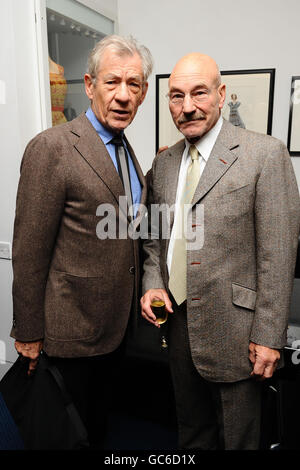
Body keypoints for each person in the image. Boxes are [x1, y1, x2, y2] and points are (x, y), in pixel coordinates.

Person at [141, 52, 300, 450]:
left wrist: (269, 337)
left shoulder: (264, 154)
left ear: (221, 93)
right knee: (192, 435)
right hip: (178, 329)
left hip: (239, 335)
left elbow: (278, 253)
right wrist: (153, 281)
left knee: (238, 440)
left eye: (199, 93)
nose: (187, 106)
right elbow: (154, 237)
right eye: (176, 96)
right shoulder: (164, 163)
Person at [11, 34, 153, 448]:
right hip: (67, 332)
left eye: (134, 85)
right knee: (62, 436)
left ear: (144, 93)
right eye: (112, 83)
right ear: (90, 85)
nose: (124, 95)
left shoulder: (127, 150)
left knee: (95, 428)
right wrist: (28, 333)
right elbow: (29, 251)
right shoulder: (51, 148)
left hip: (113, 330)